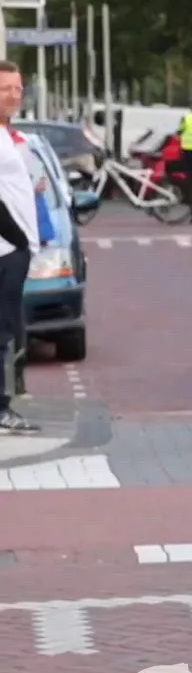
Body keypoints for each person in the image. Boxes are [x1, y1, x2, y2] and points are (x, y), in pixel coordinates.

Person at [0, 62, 40, 433]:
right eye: (4, 89)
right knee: (3, 330)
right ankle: (1, 409)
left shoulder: (9, 138)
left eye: (17, 88)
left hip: (12, 249)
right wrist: (18, 239)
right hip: (6, 250)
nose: (13, 95)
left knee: (8, 329)